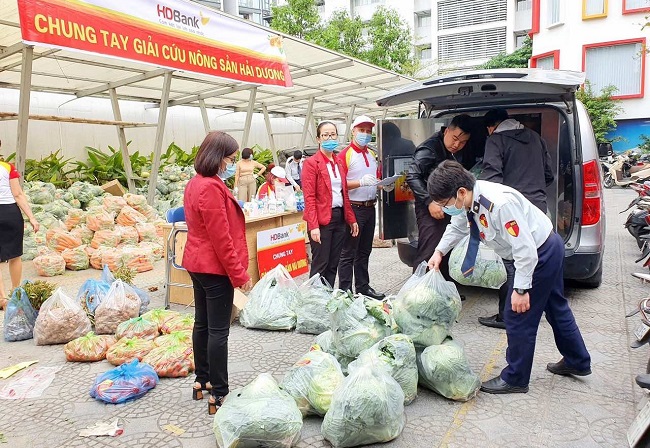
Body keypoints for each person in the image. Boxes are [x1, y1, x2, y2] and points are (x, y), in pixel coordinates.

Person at [427, 160, 591, 394]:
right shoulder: (470, 200)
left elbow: (525, 249)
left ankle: (515, 377)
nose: (445, 209)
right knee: (555, 307)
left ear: (461, 192)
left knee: (517, 315)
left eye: (446, 203)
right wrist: (439, 252)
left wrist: (522, 290)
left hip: (538, 253)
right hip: (542, 247)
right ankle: (578, 360)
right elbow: (458, 226)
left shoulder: (499, 205)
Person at [182, 131, 253, 414]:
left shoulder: (195, 183)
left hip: (197, 263)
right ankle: (220, 393)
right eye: (230, 159)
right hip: (213, 266)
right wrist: (239, 276)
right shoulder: (210, 187)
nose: (232, 164)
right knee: (218, 331)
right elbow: (221, 238)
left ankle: (203, 381)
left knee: (202, 324)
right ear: (217, 158)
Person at [478, 108, 555, 330]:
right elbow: (548, 175)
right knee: (534, 260)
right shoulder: (536, 138)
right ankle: (530, 308)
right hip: (538, 209)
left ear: (491, 127)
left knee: (512, 263)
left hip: (510, 211)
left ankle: (509, 315)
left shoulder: (495, 140)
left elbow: (490, 180)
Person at [406, 114, 473, 277]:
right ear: (447, 130)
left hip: (448, 206)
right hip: (430, 208)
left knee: (445, 249)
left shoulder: (453, 151)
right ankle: (417, 291)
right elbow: (411, 175)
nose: (457, 144)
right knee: (428, 250)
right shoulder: (429, 148)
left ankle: (441, 291)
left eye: (463, 142)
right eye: (455, 138)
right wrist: (429, 201)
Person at [302, 121, 359, 287]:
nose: (330, 138)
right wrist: (313, 226)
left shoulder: (338, 161)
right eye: (325, 135)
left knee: (334, 263)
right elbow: (309, 197)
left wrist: (351, 218)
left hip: (339, 217)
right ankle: (314, 301)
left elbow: (344, 193)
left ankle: (327, 298)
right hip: (321, 219)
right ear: (318, 139)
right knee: (321, 263)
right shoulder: (312, 163)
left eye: (333, 134)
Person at [337, 115, 385, 299]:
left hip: (370, 207)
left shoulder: (371, 154)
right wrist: (360, 182)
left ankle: (363, 287)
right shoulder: (345, 155)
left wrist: (380, 184)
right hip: (353, 208)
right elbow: (339, 184)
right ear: (353, 131)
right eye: (361, 130)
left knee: (365, 250)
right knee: (348, 252)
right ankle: (345, 291)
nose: (365, 134)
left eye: (368, 131)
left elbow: (373, 178)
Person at [0, 145, 39, 310]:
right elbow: (18, 194)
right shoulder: (8, 168)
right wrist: (32, 217)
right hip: (10, 213)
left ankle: (1, 299)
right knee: (15, 256)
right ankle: (15, 294)